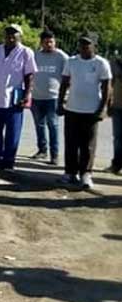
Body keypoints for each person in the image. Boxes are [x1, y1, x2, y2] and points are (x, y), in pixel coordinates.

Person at [57, 35, 111, 189]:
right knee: (71, 143)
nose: (84, 48)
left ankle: (86, 174)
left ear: (94, 46)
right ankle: (70, 172)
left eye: (87, 45)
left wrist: (102, 109)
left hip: (91, 110)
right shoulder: (71, 62)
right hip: (72, 108)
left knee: (88, 145)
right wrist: (60, 103)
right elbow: (64, 83)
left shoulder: (101, 63)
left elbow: (107, 88)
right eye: (81, 45)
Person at [0, 24, 37, 170]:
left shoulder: (26, 52)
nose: (10, 36)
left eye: (14, 34)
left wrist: (27, 94)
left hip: (15, 98)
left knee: (13, 131)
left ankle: (8, 161)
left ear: (20, 36)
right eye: (8, 34)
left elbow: (29, 75)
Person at [30, 30, 68, 165]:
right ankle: (42, 150)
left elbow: (68, 77)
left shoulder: (62, 57)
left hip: (53, 97)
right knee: (39, 125)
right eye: (46, 42)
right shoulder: (36, 56)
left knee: (53, 125)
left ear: (55, 42)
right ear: (41, 43)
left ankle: (54, 154)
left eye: (51, 41)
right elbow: (30, 74)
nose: (49, 44)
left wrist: (65, 96)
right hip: (36, 97)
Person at [107, 52, 122, 175]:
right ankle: (116, 164)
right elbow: (110, 83)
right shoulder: (115, 62)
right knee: (118, 138)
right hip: (118, 105)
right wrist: (108, 102)